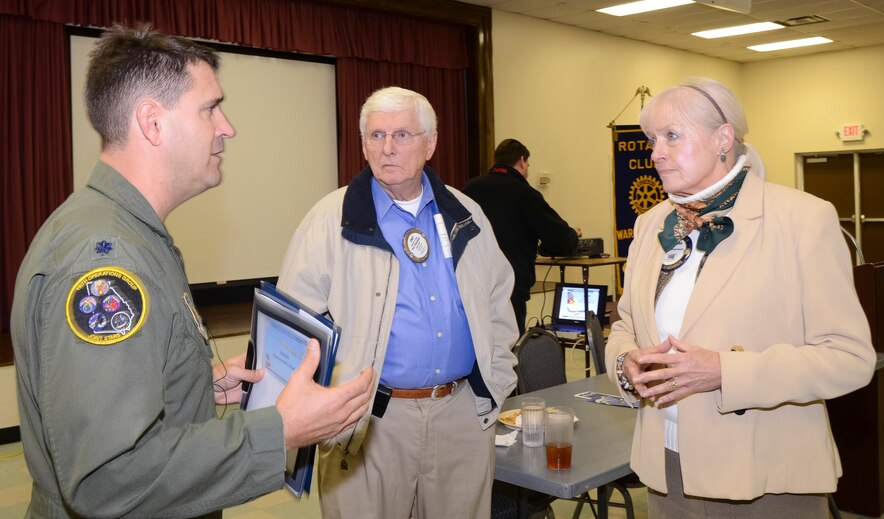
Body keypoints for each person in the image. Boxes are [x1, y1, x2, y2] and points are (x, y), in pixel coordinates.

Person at [10, 24, 374, 518]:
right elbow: (108, 479)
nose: (227, 127)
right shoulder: (109, 261)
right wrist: (280, 430)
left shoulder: (121, 230)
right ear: (153, 123)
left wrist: (196, 384)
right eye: (210, 108)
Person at [604, 77, 876, 518]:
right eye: (652, 140)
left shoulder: (803, 219)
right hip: (665, 470)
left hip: (765, 473)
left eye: (672, 136)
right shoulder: (650, 223)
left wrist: (725, 371)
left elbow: (848, 358)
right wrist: (626, 362)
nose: (655, 153)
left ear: (723, 139)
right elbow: (624, 327)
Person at [277, 86, 518, 518]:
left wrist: (495, 383)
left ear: (431, 143)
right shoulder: (329, 221)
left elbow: (500, 300)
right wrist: (329, 407)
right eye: (375, 135)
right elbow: (295, 326)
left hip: (461, 415)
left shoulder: (468, 215)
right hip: (369, 422)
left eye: (402, 135)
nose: (387, 148)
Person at [463, 138, 580, 333]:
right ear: (522, 160)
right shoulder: (524, 193)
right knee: (508, 353)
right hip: (510, 290)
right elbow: (560, 239)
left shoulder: (470, 189)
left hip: (473, 287)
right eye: (528, 165)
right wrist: (568, 238)